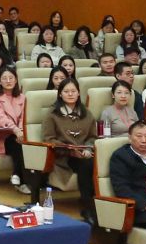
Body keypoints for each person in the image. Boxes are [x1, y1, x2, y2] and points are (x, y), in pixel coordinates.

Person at [36, 79, 100, 216]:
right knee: (86, 165)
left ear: (78, 93)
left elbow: (93, 137)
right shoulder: (52, 114)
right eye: (66, 91)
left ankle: (101, 205)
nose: (70, 94)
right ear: (60, 94)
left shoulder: (86, 113)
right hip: (62, 156)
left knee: (97, 163)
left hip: (84, 154)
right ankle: (89, 209)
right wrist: (69, 150)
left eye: (73, 91)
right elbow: (48, 139)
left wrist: (88, 149)